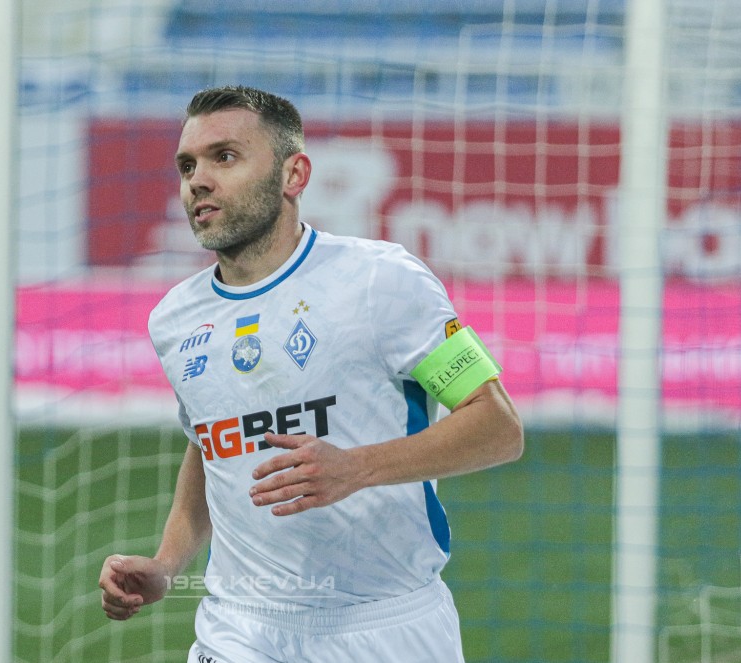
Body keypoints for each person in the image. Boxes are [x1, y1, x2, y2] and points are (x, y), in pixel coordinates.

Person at [99, 86, 524, 662]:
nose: (198, 180)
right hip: (238, 630)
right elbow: (212, 446)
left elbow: (498, 426)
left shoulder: (383, 279)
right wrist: (167, 564)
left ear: (293, 174)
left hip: (388, 628)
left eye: (225, 157)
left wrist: (356, 467)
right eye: (187, 165)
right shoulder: (175, 318)